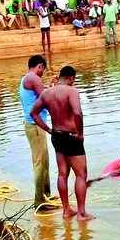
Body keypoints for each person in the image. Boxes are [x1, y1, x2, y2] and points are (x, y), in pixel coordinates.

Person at [31, 65, 94, 221]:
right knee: (81, 174)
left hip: (57, 136)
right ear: (71, 78)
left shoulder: (47, 93)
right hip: (72, 137)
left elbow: (33, 113)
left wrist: (48, 129)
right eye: (73, 80)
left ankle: (66, 210)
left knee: (62, 174)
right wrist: (80, 133)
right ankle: (81, 213)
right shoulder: (71, 91)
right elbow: (77, 112)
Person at [20, 55, 52, 208]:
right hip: (35, 126)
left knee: (44, 162)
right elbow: (45, 98)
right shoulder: (33, 78)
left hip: (35, 125)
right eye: (43, 70)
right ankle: (39, 201)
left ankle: (46, 195)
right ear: (40, 66)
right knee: (40, 163)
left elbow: (42, 95)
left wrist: (51, 88)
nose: (42, 74)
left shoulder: (27, 78)